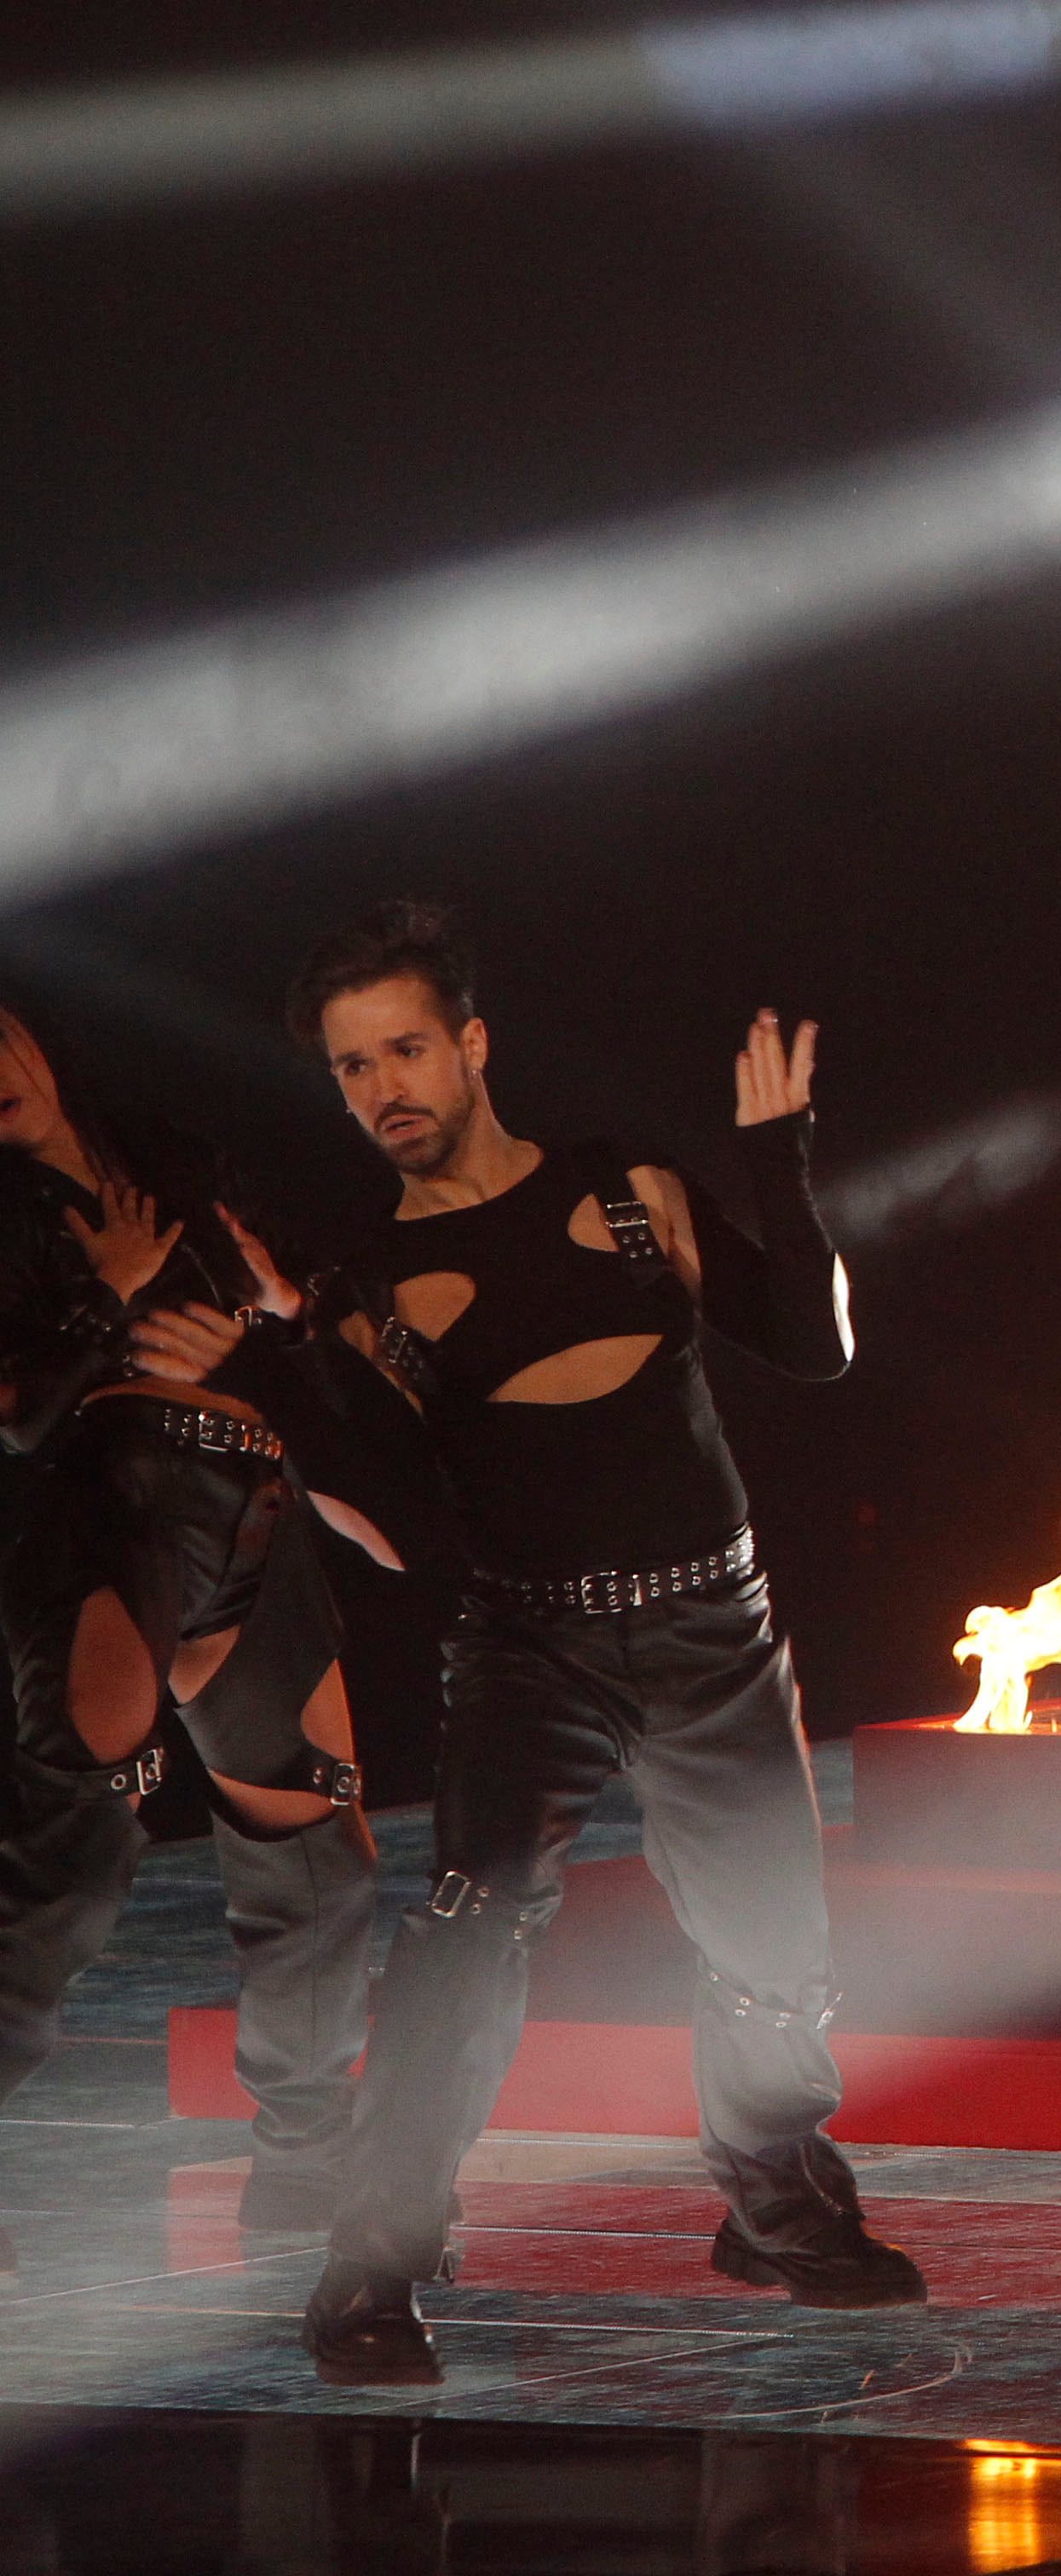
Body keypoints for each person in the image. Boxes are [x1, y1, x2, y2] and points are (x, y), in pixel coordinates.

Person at [133, 904, 914, 2385]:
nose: (384, 1090)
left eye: (407, 1048)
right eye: (354, 1069)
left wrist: (782, 1166)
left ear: (473, 1043)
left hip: (713, 1627)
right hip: (528, 1652)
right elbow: (399, 1532)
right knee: (464, 1941)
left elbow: (811, 1348)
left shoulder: (631, 1192)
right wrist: (281, 1372)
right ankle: (370, 2269)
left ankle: (776, 2205)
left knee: (773, 1952)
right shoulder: (369, 1293)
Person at [0, 992, 378, 2245]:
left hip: (254, 1501)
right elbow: (14, 1415)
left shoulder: (165, 1153)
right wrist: (106, 1298)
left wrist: (268, 1314)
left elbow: (283, 1310)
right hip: (111, 1501)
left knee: (316, 1836)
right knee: (73, 1834)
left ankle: (307, 2165)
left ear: (33, 1034)